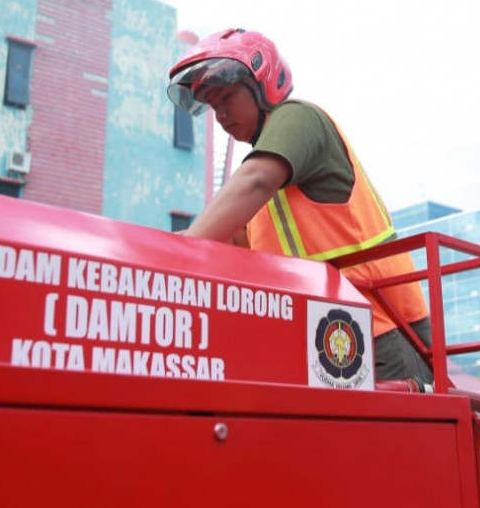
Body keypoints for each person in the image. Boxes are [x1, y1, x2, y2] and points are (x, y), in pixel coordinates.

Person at [167, 28, 435, 388]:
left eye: (227, 96)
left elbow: (254, 181)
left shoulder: (297, 119)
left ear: (263, 86)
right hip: (324, 348)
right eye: (213, 106)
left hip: (377, 337)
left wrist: (172, 261)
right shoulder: (264, 195)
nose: (221, 115)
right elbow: (226, 242)